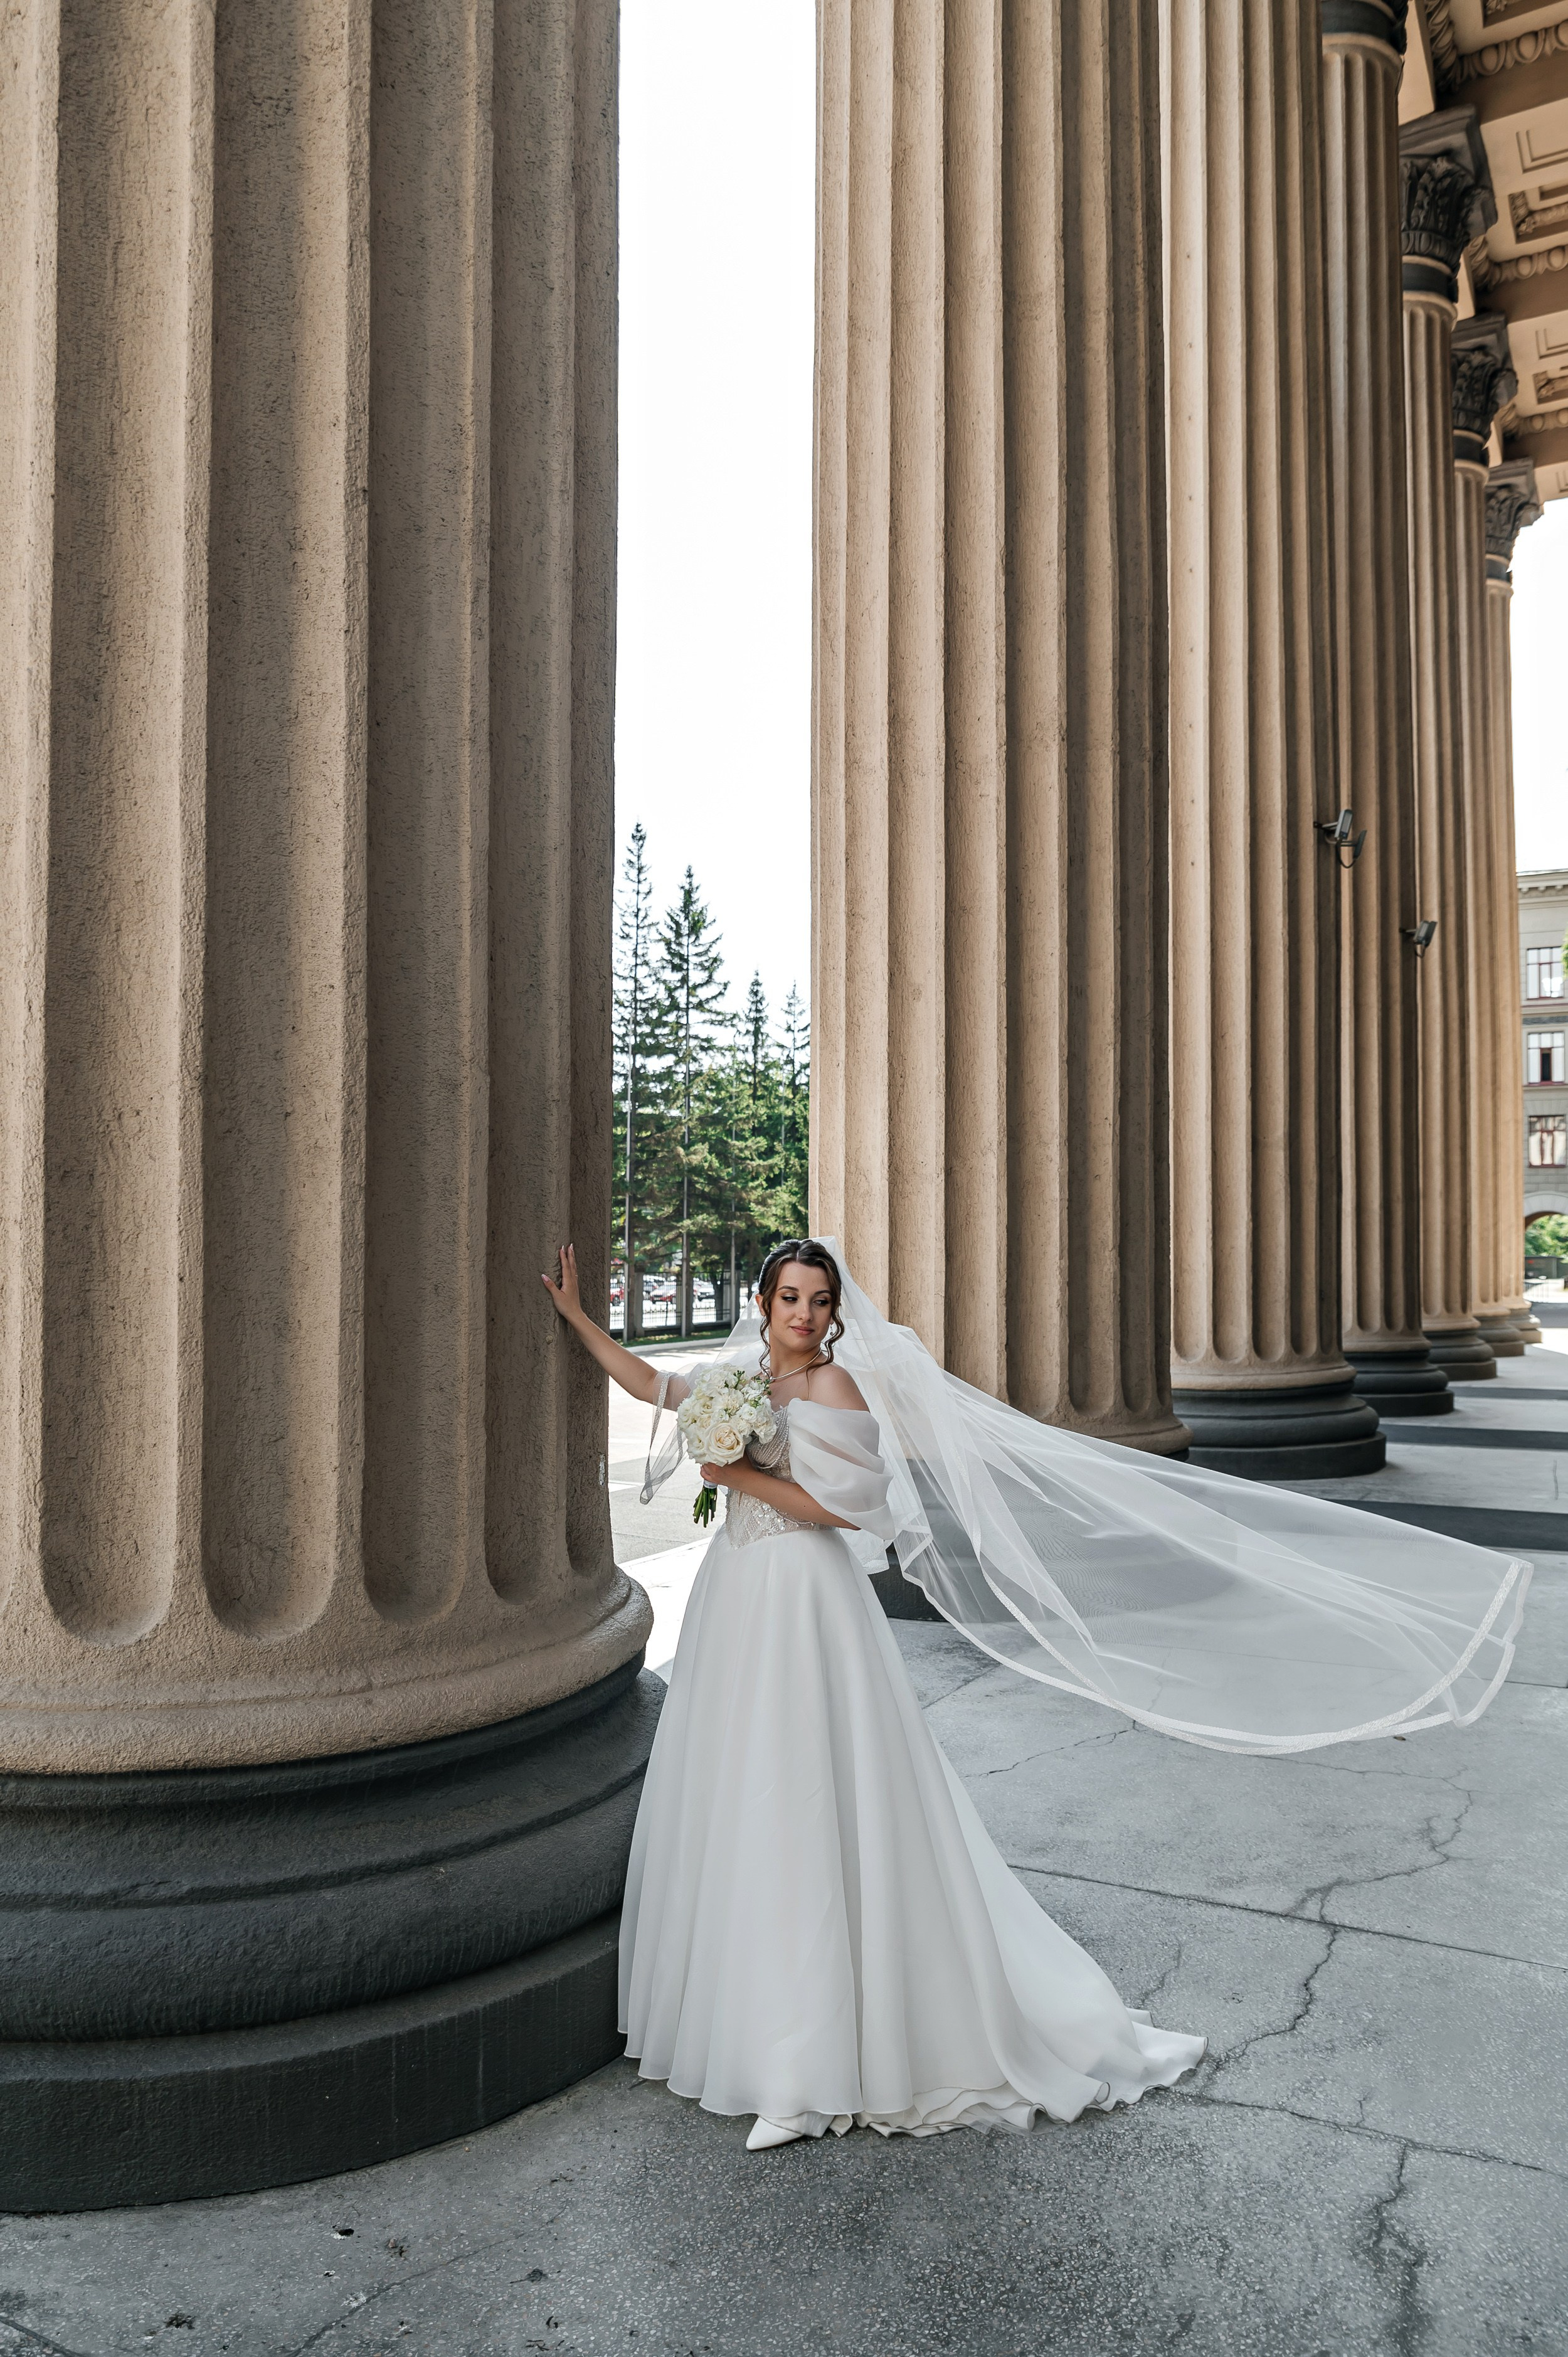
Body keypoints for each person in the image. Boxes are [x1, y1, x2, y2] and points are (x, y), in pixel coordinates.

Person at [543, 1235, 1527, 2149]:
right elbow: (660, 1385)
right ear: (761, 1302)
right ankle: (750, 2029)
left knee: (810, 1798)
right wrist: (583, 1320)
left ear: (835, 1312)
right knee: (744, 1797)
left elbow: (845, 1508)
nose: (803, 1312)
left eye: (819, 1299)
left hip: (805, 1598)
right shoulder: (745, 1377)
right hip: (738, 1602)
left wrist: (736, 1476)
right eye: (789, 1297)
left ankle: (807, 2067)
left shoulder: (837, 1387)